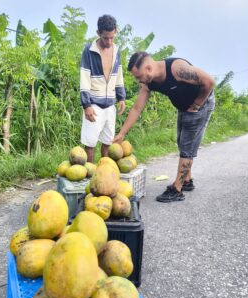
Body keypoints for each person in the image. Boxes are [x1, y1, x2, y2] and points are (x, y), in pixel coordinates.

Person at [114, 51, 215, 202]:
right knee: (181, 141)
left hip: (200, 104)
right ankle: (187, 180)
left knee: (187, 146)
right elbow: (136, 109)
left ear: (148, 68)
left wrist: (196, 105)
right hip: (184, 107)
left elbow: (209, 81)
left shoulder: (176, 69)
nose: (138, 80)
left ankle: (177, 189)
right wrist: (121, 133)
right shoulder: (148, 83)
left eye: (138, 76)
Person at [80, 14, 126, 163]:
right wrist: (86, 105)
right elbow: (85, 78)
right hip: (94, 103)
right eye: (106, 38)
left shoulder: (116, 50)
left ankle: (105, 172)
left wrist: (121, 97)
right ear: (98, 33)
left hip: (110, 104)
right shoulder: (89, 51)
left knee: (107, 141)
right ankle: (89, 175)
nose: (109, 41)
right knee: (90, 143)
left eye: (112, 37)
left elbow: (118, 74)